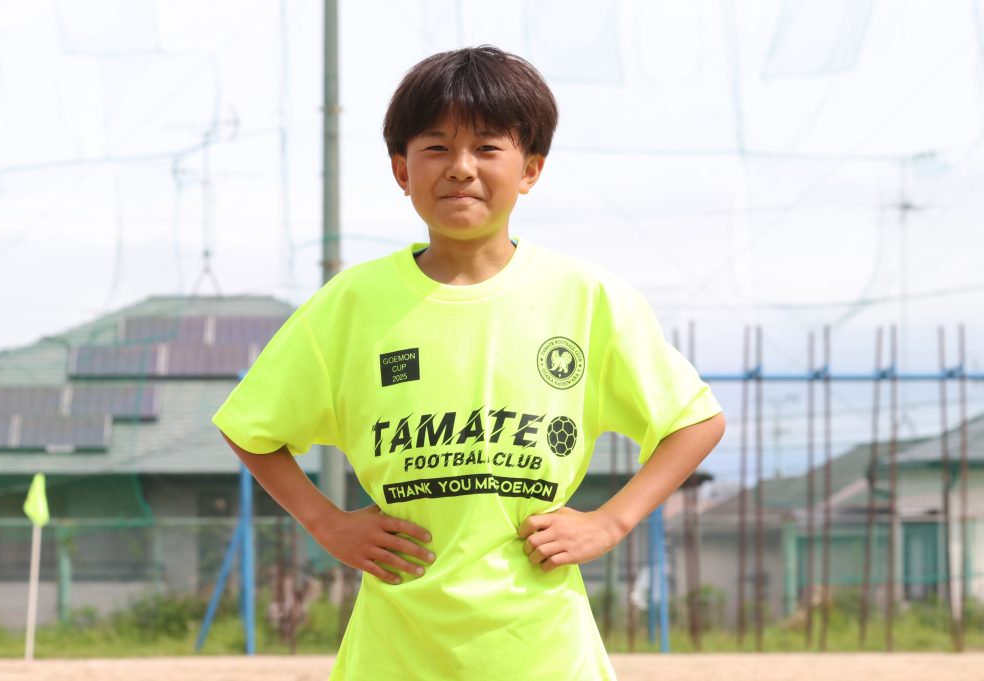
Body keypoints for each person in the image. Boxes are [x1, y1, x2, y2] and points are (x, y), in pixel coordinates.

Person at [213, 45, 725, 680]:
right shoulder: (351, 303)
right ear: (402, 170)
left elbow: (695, 422)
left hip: (543, 653)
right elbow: (250, 427)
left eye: (486, 147)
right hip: (395, 654)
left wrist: (610, 522)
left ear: (530, 168)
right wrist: (326, 523)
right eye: (436, 147)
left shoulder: (586, 298)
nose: (461, 168)